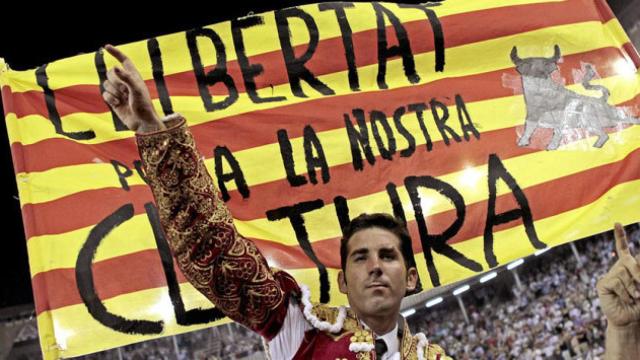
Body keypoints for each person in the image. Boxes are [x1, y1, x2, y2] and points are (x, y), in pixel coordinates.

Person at [100, 44, 640, 359]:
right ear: (342, 279)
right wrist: (157, 135)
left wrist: (621, 331)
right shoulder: (299, 328)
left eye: (388, 255)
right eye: (360, 256)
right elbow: (211, 254)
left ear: (411, 276)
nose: (375, 266)